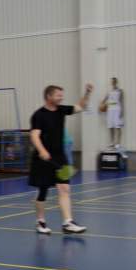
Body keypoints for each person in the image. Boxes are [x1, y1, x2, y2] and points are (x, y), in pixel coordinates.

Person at [29, 83, 92, 235]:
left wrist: (87, 93)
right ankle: (40, 221)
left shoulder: (62, 110)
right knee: (43, 191)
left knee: (64, 188)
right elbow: (34, 135)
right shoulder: (38, 115)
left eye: (61, 95)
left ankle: (68, 222)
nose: (61, 98)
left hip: (60, 156)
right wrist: (42, 150)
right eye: (58, 95)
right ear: (49, 96)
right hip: (42, 159)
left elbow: (80, 107)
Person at [100, 77, 124, 149]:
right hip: (110, 109)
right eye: (112, 82)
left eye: (114, 81)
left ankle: (118, 143)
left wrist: (122, 111)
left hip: (117, 109)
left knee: (118, 126)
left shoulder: (120, 91)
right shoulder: (109, 92)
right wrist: (102, 106)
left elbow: (121, 102)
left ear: (116, 82)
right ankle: (112, 143)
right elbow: (104, 100)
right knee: (111, 126)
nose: (112, 83)